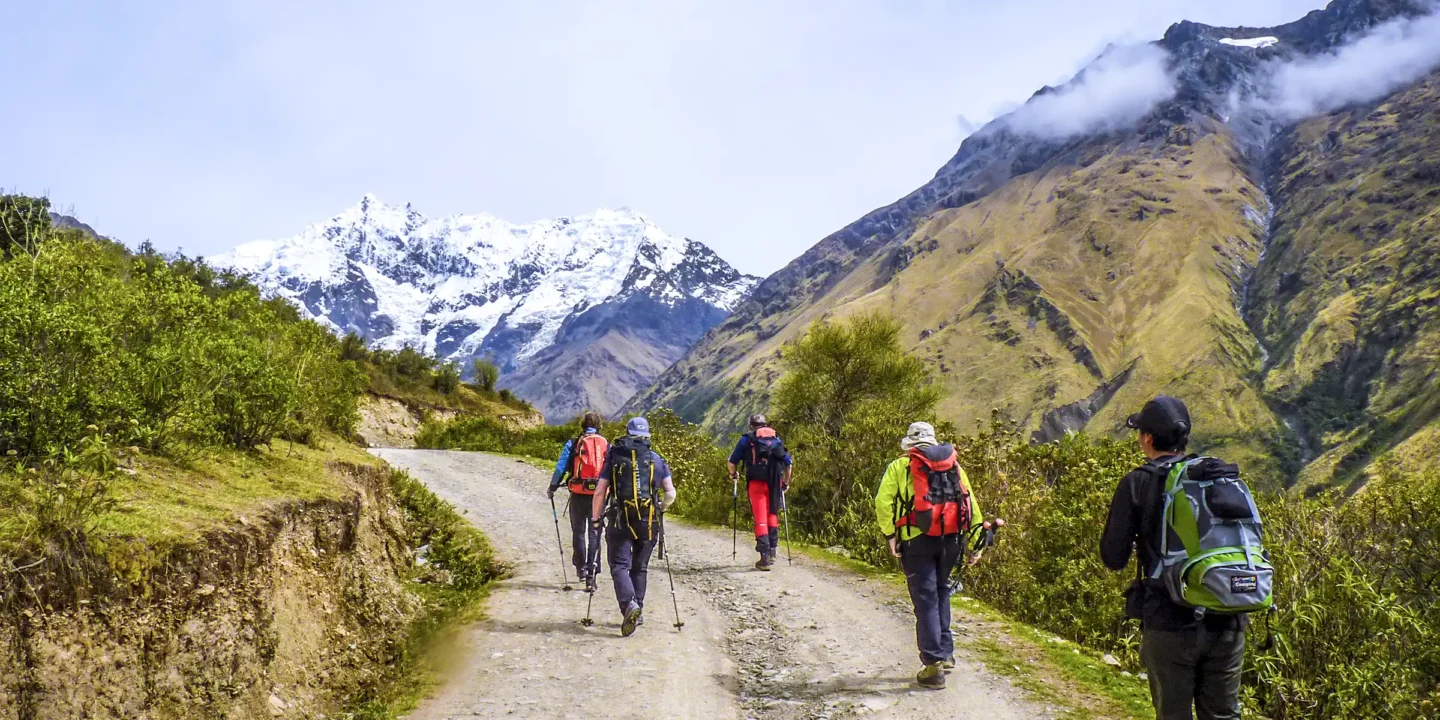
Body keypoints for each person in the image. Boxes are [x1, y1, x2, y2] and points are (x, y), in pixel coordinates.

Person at [1101, 396, 1246, 720]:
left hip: (1169, 620)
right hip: (1229, 614)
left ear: (1147, 439)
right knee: (1223, 715)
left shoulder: (1138, 482)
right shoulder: (1217, 476)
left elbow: (1113, 557)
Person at [874, 421, 988, 690]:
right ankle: (946, 654)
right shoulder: (954, 465)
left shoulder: (901, 466)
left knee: (925, 599)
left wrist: (891, 535)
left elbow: (882, 501)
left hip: (917, 540)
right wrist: (976, 544)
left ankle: (933, 664)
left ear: (910, 445)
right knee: (941, 591)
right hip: (952, 540)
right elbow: (970, 504)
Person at [591, 416, 677, 637]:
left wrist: (595, 518)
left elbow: (600, 491)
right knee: (640, 567)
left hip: (620, 519)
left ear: (627, 434)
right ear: (647, 436)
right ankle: (638, 607)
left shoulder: (614, 457)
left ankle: (630, 605)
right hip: (649, 521)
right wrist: (662, 507)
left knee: (619, 565)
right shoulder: (657, 459)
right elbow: (670, 493)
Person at [548, 412, 609, 587]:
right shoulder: (606, 444)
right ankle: (592, 573)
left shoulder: (574, 443)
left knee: (579, 532)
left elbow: (561, 467)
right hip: (598, 495)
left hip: (578, 493)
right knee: (595, 533)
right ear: (599, 425)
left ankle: (581, 568)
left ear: (582, 425)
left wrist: (553, 486)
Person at [728, 413, 792, 570]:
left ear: (751, 425)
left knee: (760, 517)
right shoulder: (776, 439)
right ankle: (772, 550)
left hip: (756, 482)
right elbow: (788, 464)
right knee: (772, 514)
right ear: (766, 424)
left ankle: (764, 558)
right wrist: (785, 482)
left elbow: (732, 462)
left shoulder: (746, 440)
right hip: (775, 483)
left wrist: (733, 474)